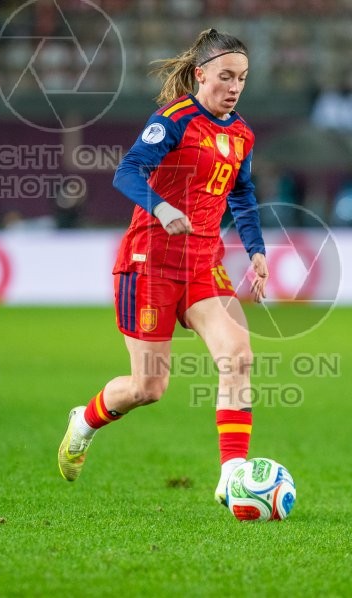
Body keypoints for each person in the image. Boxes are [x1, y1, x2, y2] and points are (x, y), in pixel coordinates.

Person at [57, 29, 268, 508]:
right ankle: (85, 420)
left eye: (243, 78)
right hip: (148, 263)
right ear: (201, 75)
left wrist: (255, 248)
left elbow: (242, 194)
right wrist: (161, 208)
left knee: (238, 354)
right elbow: (127, 171)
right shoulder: (174, 120)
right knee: (148, 388)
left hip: (202, 265)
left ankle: (232, 475)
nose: (234, 87)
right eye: (225, 76)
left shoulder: (241, 134)